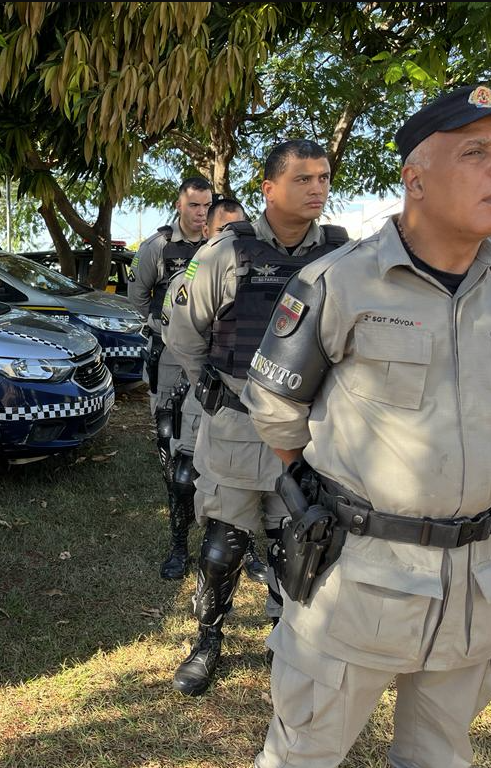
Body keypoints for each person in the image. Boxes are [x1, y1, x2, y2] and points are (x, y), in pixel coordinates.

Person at [244, 84, 491, 767]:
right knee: (304, 755)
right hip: (358, 580)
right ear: (415, 177)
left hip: (474, 587)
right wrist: (328, 498)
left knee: (440, 756)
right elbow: (274, 409)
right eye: (476, 152)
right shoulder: (340, 283)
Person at [165, 140, 348, 696]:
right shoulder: (225, 253)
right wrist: (206, 384)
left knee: (300, 541)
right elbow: (182, 328)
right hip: (238, 425)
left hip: (315, 430)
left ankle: (285, 638)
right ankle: (208, 640)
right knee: (224, 543)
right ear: (269, 189)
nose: (317, 188)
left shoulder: (343, 256)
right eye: (303, 179)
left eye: (323, 178)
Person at [158, 197, 270, 582]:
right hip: (202, 390)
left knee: (253, 478)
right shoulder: (188, 279)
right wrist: (206, 380)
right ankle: (178, 544)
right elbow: (182, 338)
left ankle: (248, 547)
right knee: (185, 475)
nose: (232, 240)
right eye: (224, 230)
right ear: (207, 231)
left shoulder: (258, 275)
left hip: (252, 400)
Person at [129, 178, 211, 578]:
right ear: (180, 205)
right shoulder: (159, 247)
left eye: (206, 206)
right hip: (170, 361)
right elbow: (138, 296)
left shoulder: (222, 244)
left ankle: (233, 540)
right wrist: (162, 327)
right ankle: (178, 542)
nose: (201, 214)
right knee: (173, 451)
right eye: (194, 206)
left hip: (214, 363)